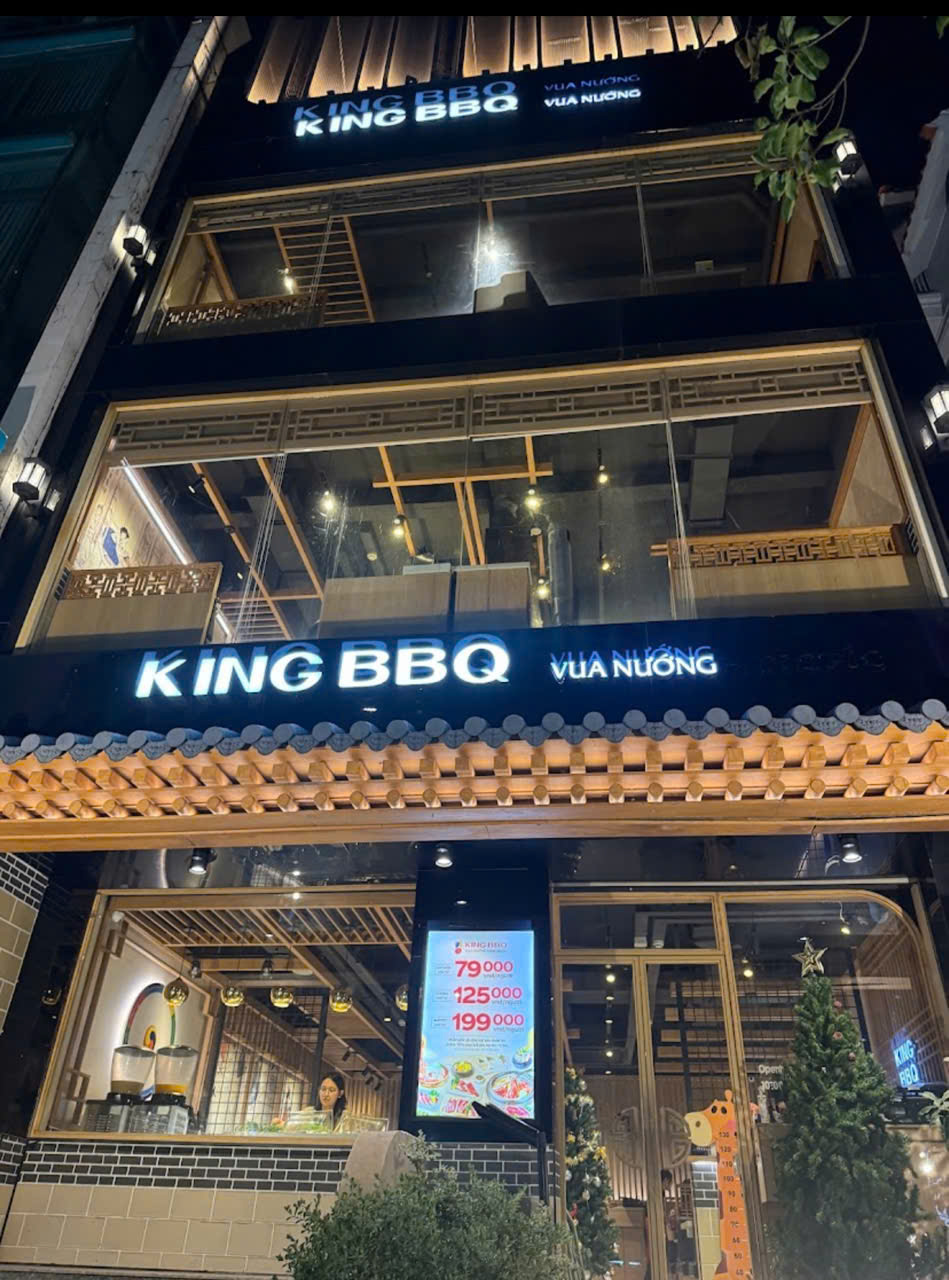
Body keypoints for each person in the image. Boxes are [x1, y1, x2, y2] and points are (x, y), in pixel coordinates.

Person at [661, 1169, 680, 1279]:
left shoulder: (661, 1193)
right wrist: (668, 1221)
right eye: (670, 1182)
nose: (671, 1185)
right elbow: (661, 1214)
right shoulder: (659, 1194)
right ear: (665, 1180)